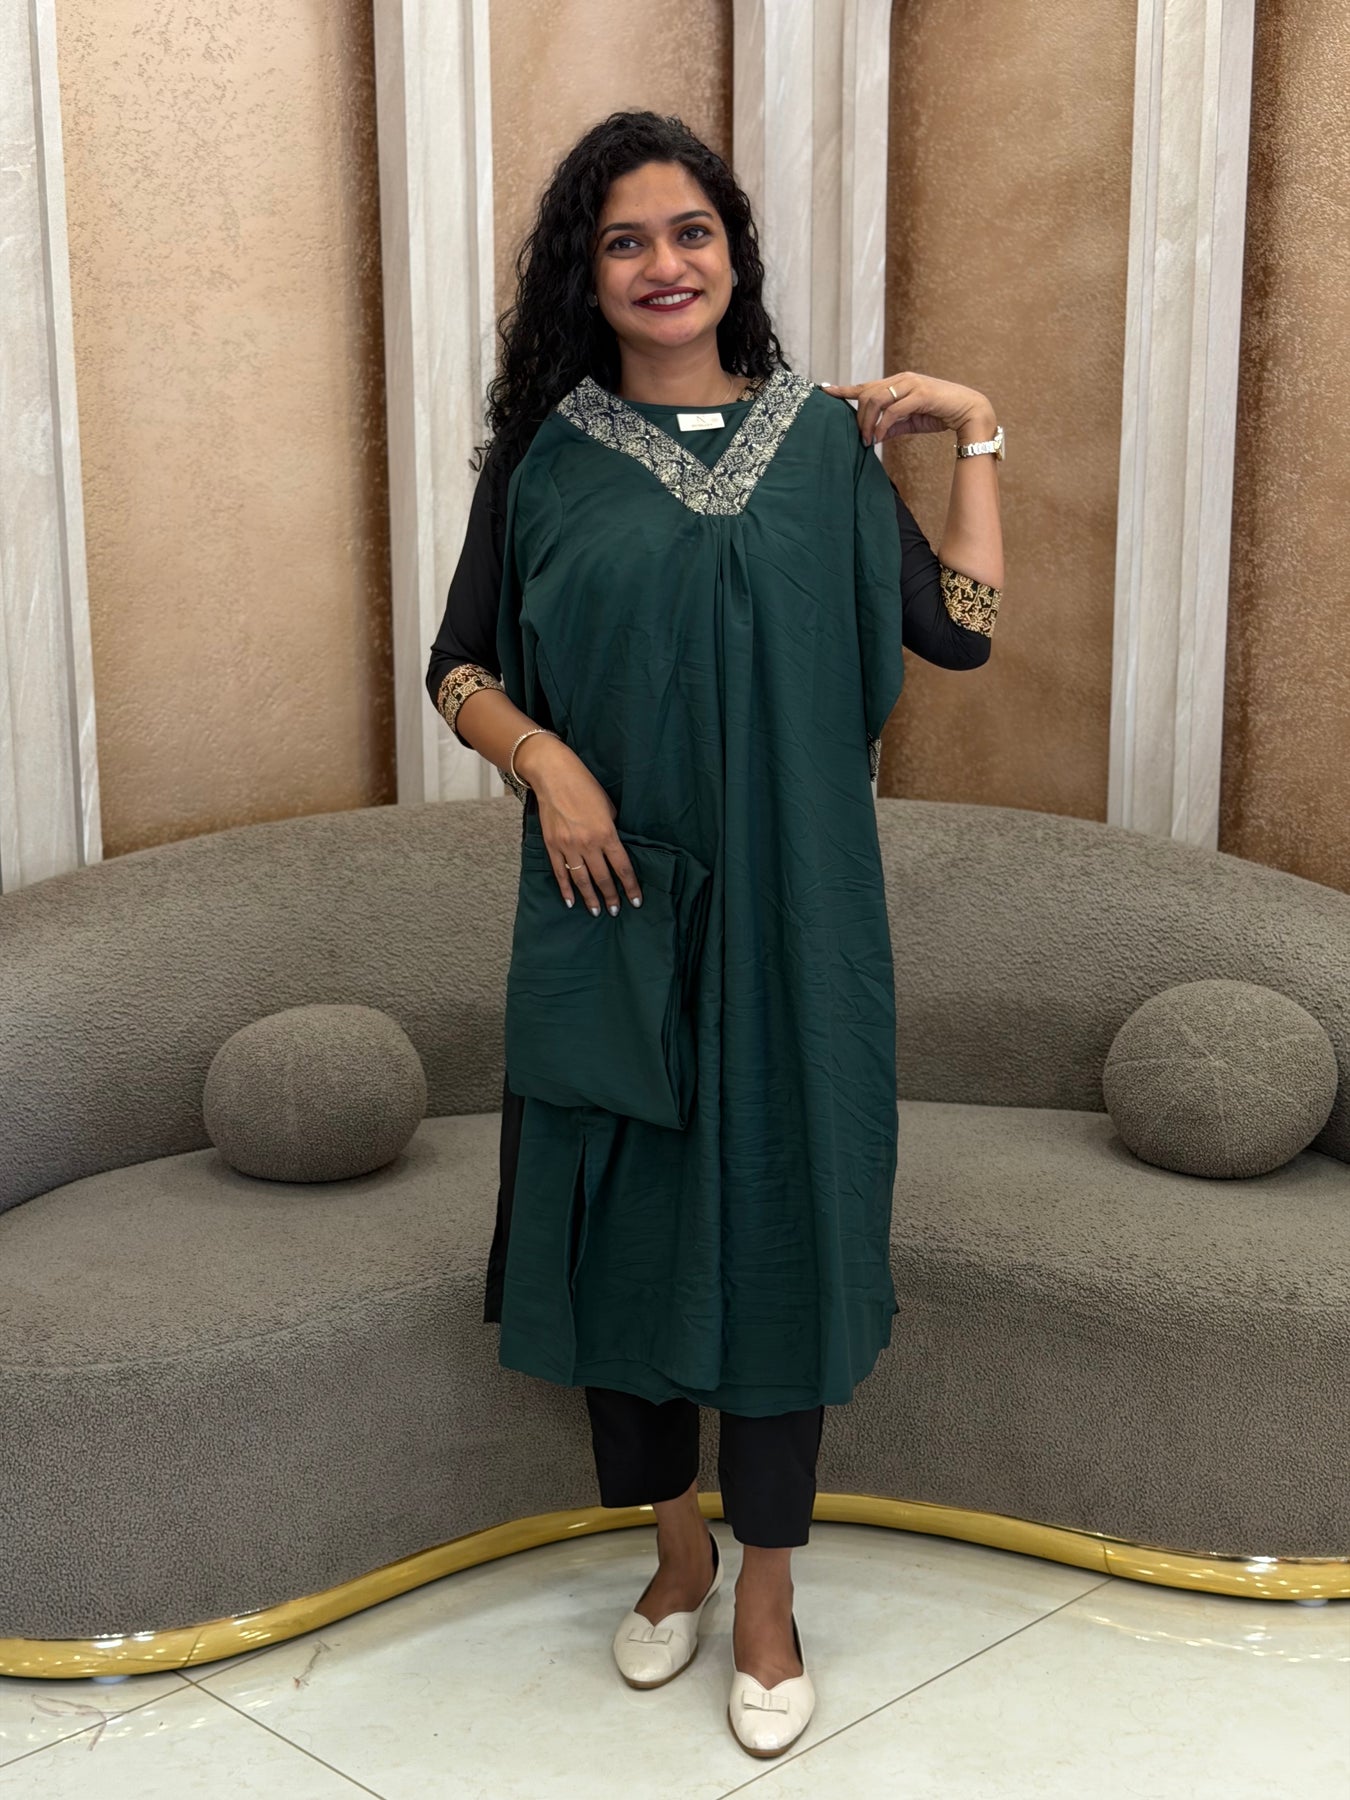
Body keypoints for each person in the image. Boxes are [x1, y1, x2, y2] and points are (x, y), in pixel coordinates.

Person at [426, 109, 1004, 1758]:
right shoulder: (545, 460)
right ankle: (677, 1552)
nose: (662, 263)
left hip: (799, 923)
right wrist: (546, 767)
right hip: (614, 915)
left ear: (730, 255)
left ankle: (769, 1593)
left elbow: (960, 633)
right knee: (616, 1225)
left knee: (785, 1223)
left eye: (689, 231)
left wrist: (973, 432)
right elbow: (458, 666)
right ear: (587, 275)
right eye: (624, 240)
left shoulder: (819, 445)